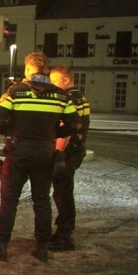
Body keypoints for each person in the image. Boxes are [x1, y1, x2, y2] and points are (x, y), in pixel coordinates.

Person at [0, 52, 77, 263]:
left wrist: (12, 130)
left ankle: (1, 245)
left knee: (9, 201)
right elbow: (74, 124)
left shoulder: (15, 92)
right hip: (45, 153)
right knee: (42, 201)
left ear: (28, 69)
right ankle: (42, 246)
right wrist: (53, 133)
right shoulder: (61, 96)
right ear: (46, 69)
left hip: (18, 152)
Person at [48, 65, 90, 251]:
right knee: (65, 191)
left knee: (62, 192)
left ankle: (64, 234)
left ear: (66, 80)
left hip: (68, 152)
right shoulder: (81, 97)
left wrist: (58, 154)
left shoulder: (69, 99)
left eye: (55, 81)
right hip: (77, 149)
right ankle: (65, 229)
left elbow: (65, 131)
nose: (53, 86)